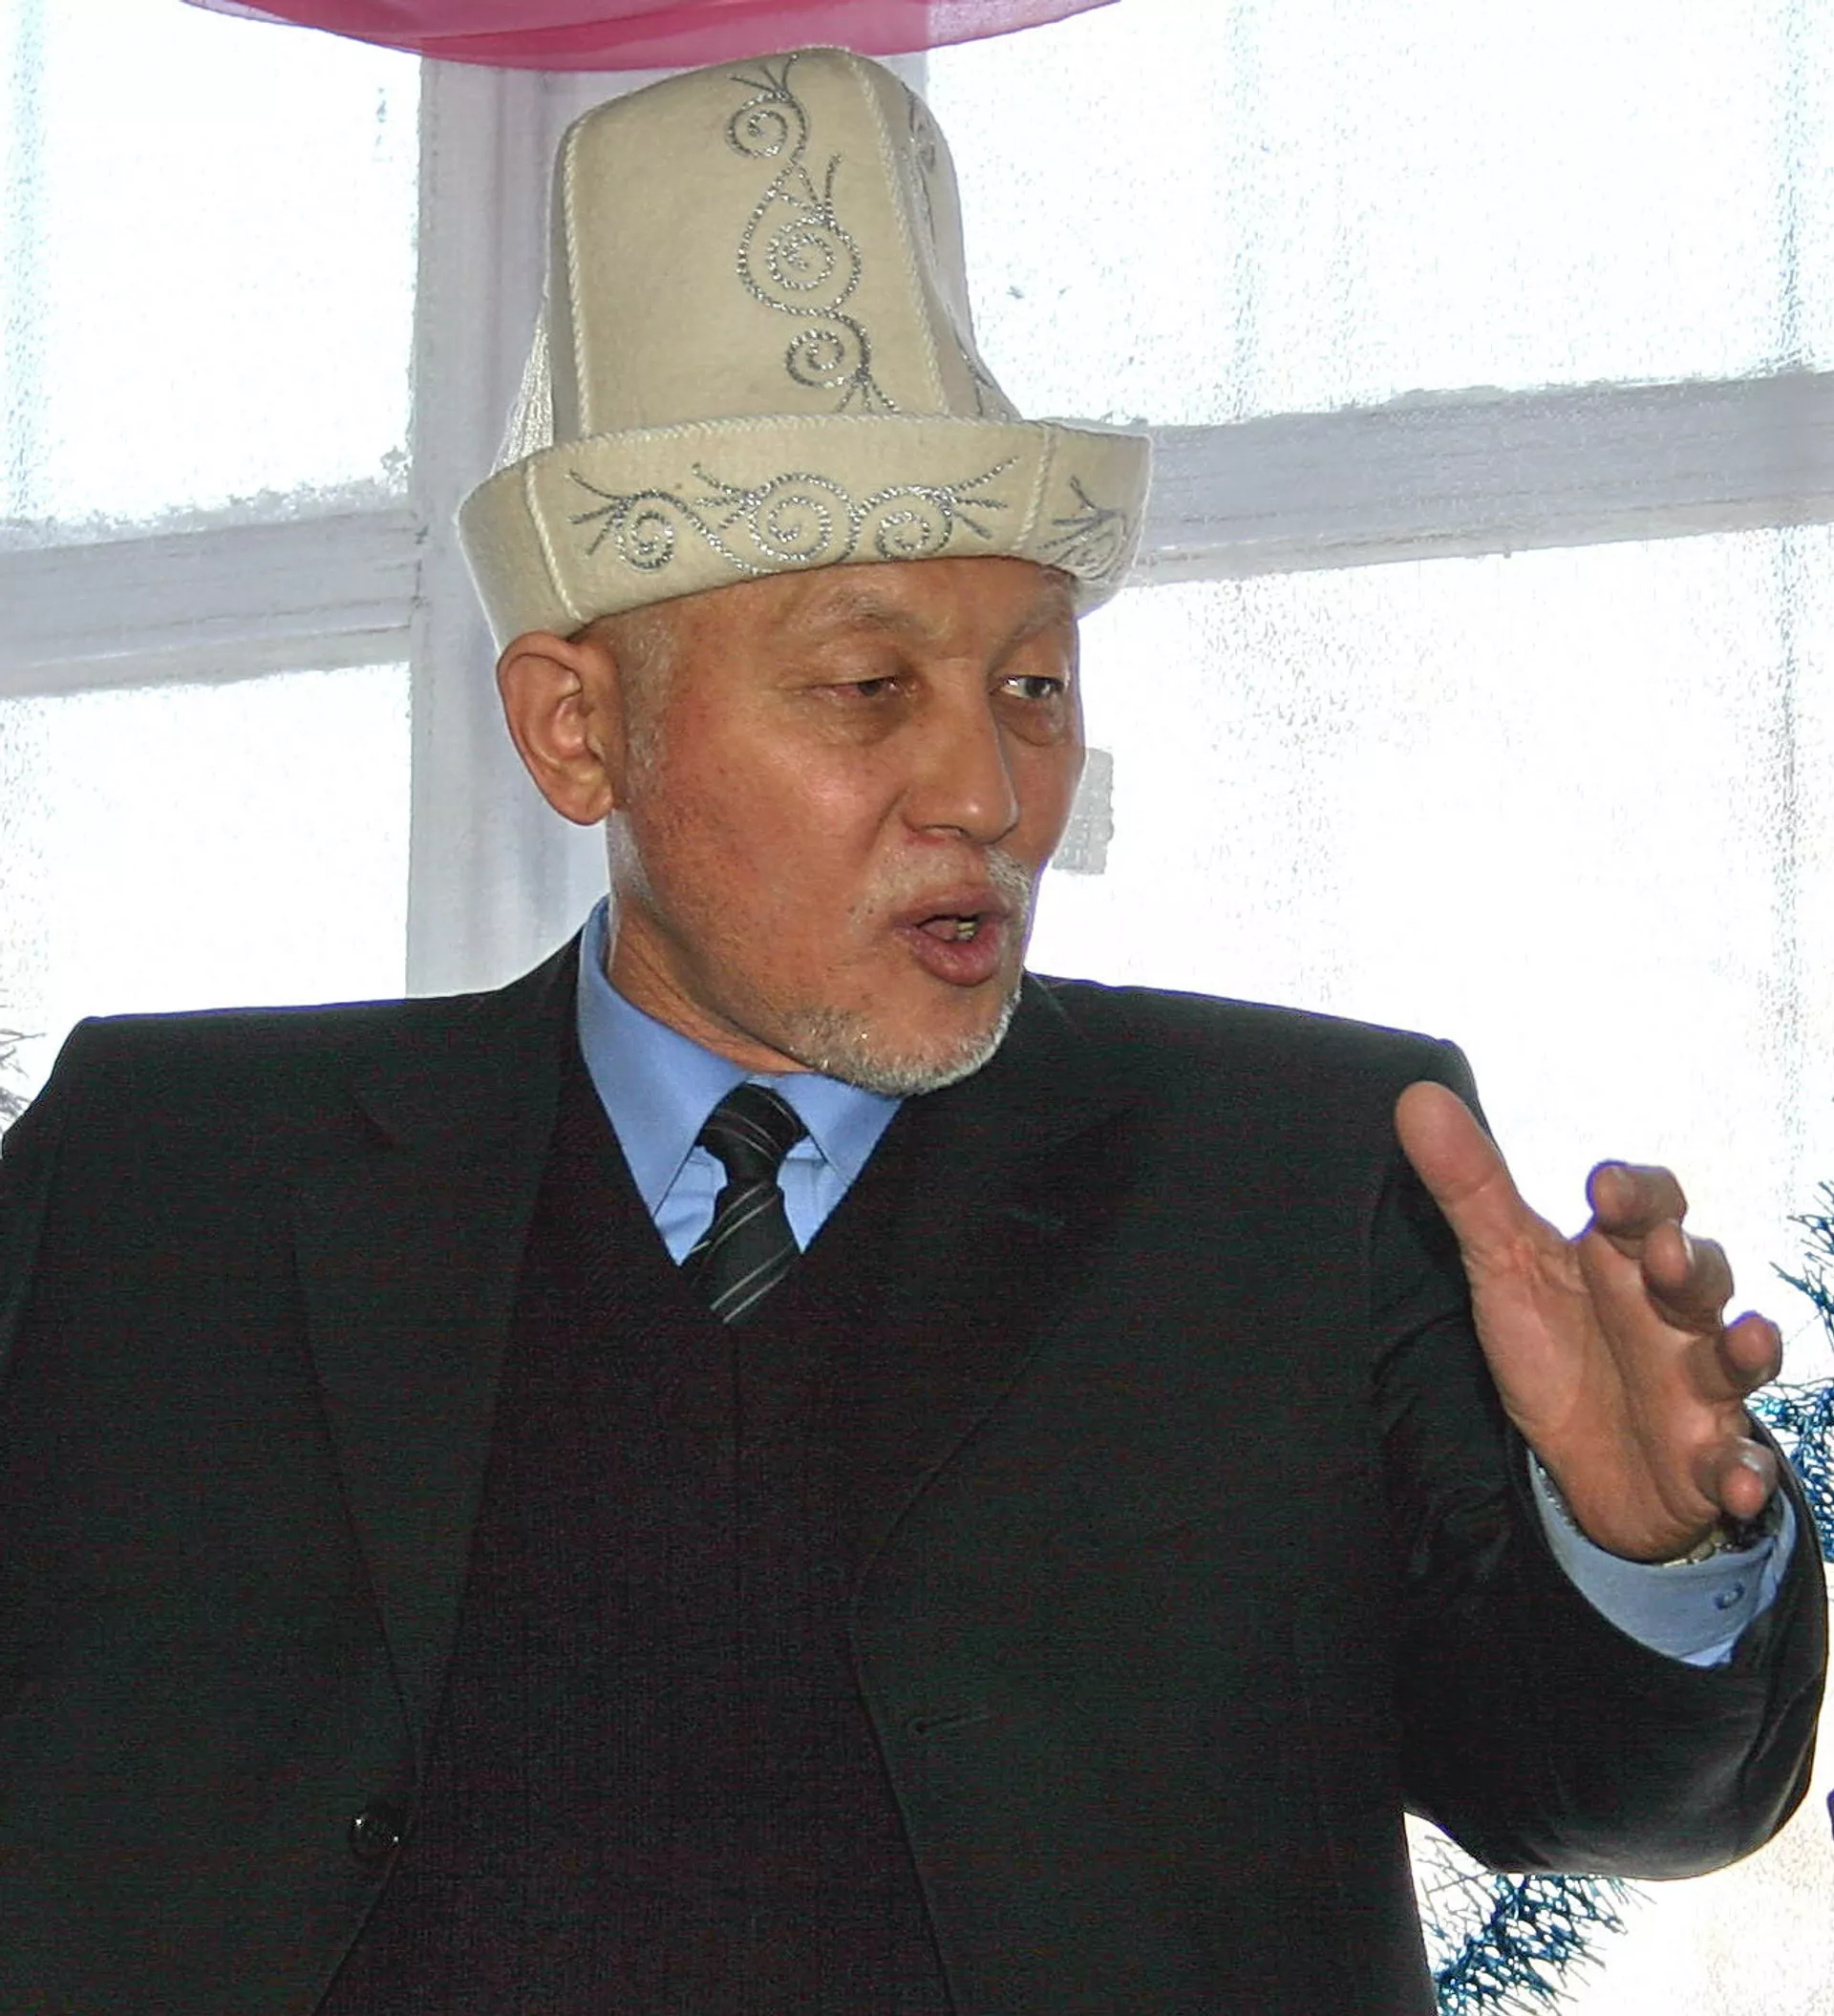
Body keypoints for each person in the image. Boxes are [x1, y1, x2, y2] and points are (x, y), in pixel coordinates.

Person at [0, 49, 1823, 2016]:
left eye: (1033, 686)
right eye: (871, 683)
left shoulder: (1295, 1183)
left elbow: (1611, 1789)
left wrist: (1643, 1551)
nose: (991, 791)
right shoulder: (157, 1187)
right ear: (575, 727)